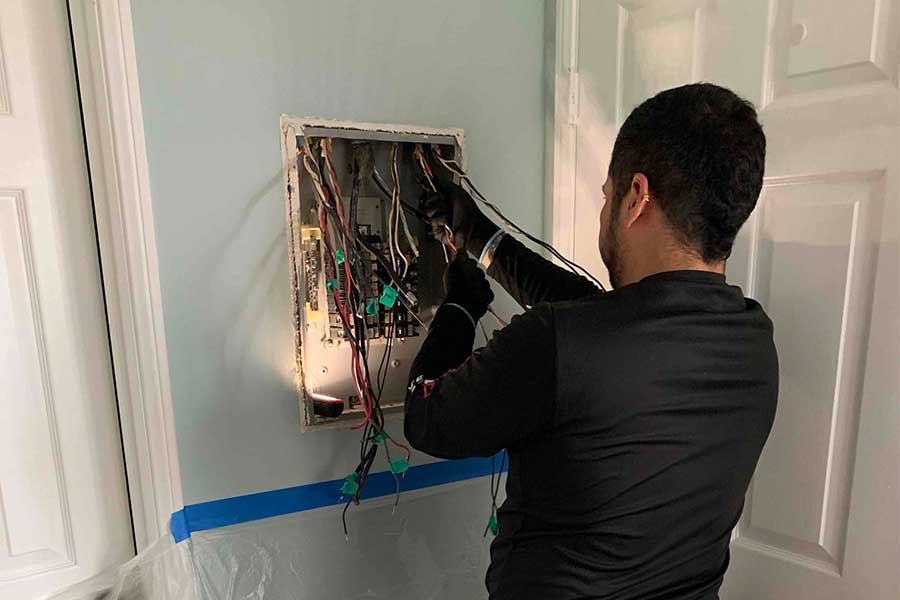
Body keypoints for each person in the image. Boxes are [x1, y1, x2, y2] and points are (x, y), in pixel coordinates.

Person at [404, 83, 778, 600]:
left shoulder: (558, 345)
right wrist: (478, 236)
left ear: (636, 197)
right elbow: (600, 317)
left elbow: (427, 418)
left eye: (606, 195)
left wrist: (460, 308)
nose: (604, 210)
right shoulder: (754, 344)